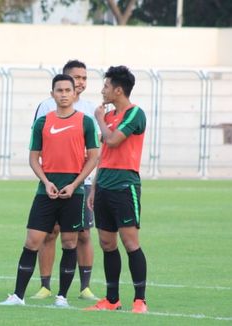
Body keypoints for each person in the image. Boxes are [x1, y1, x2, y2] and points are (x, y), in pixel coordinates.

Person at [0, 74, 99, 307]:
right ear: (52, 93)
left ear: (75, 93)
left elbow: (94, 157)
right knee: (32, 241)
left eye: (67, 90)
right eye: (59, 90)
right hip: (46, 192)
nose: (63, 94)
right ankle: (18, 296)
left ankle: (62, 297)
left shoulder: (86, 122)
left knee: (69, 243)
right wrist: (46, 182)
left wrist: (74, 185)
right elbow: (34, 158)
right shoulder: (43, 122)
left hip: (74, 193)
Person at [31, 60, 99, 301]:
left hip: (83, 181)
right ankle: (45, 285)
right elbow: (39, 141)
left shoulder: (92, 109)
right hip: (51, 180)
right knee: (50, 233)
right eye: (75, 77)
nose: (80, 82)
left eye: (84, 78)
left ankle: (85, 287)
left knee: (83, 233)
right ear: (63, 81)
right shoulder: (45, 107)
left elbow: (95, 148)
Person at [85, 65, 148, 313]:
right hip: (104, 187)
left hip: (125, 186)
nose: (103, 90)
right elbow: (105, 153)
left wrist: (99, 119)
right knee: (107, 243)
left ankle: (140, 300)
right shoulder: (109, 117)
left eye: (106, 86)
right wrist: (94, 188)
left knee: (130, 243)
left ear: (118, 90)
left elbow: (113, 140)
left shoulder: (135, 114)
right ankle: (112, 300)